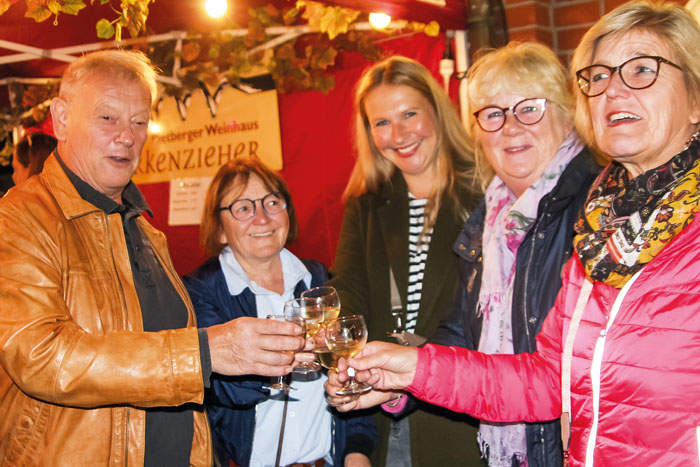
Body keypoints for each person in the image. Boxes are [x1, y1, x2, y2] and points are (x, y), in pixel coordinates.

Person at [327, 1, 700, 465]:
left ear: (568, 114)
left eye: (642, 70)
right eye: (600, 77)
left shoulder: (583, 206)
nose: (510, 127)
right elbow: (548, 376)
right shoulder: (585, 217)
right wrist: (407, 373)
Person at [0, 49, 306, 466]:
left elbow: (175, 376)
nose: (127, 136)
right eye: (108, 117)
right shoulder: (19, 217)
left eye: (139, 121)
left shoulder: (145, 230)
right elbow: (40, 355)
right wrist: (204, 352)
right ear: (62, 118)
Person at [422, 42, 600, 467]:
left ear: (566, 112)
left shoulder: (596, 207)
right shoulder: (489, 220)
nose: (510, 127)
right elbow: (462, 334)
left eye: (530, 108)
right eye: (494, 113)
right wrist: (398, 381)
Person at [327, 55, 482, 466]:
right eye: (381, 122)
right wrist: (331, 346)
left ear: (437, 110)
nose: (398, 134)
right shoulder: (366, 203)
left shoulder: (486, 192)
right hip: (382, 417)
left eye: (409, 113)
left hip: (460, 421)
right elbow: (349, 291)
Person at [182, 158, 377, 467]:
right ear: (219, 228)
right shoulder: (198, 292)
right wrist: (277, 363)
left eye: (272, 202)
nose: (262, 218)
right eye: (243, 208)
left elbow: (350, 370)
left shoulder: (319, 280)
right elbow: (216, 388)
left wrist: (357, 450)